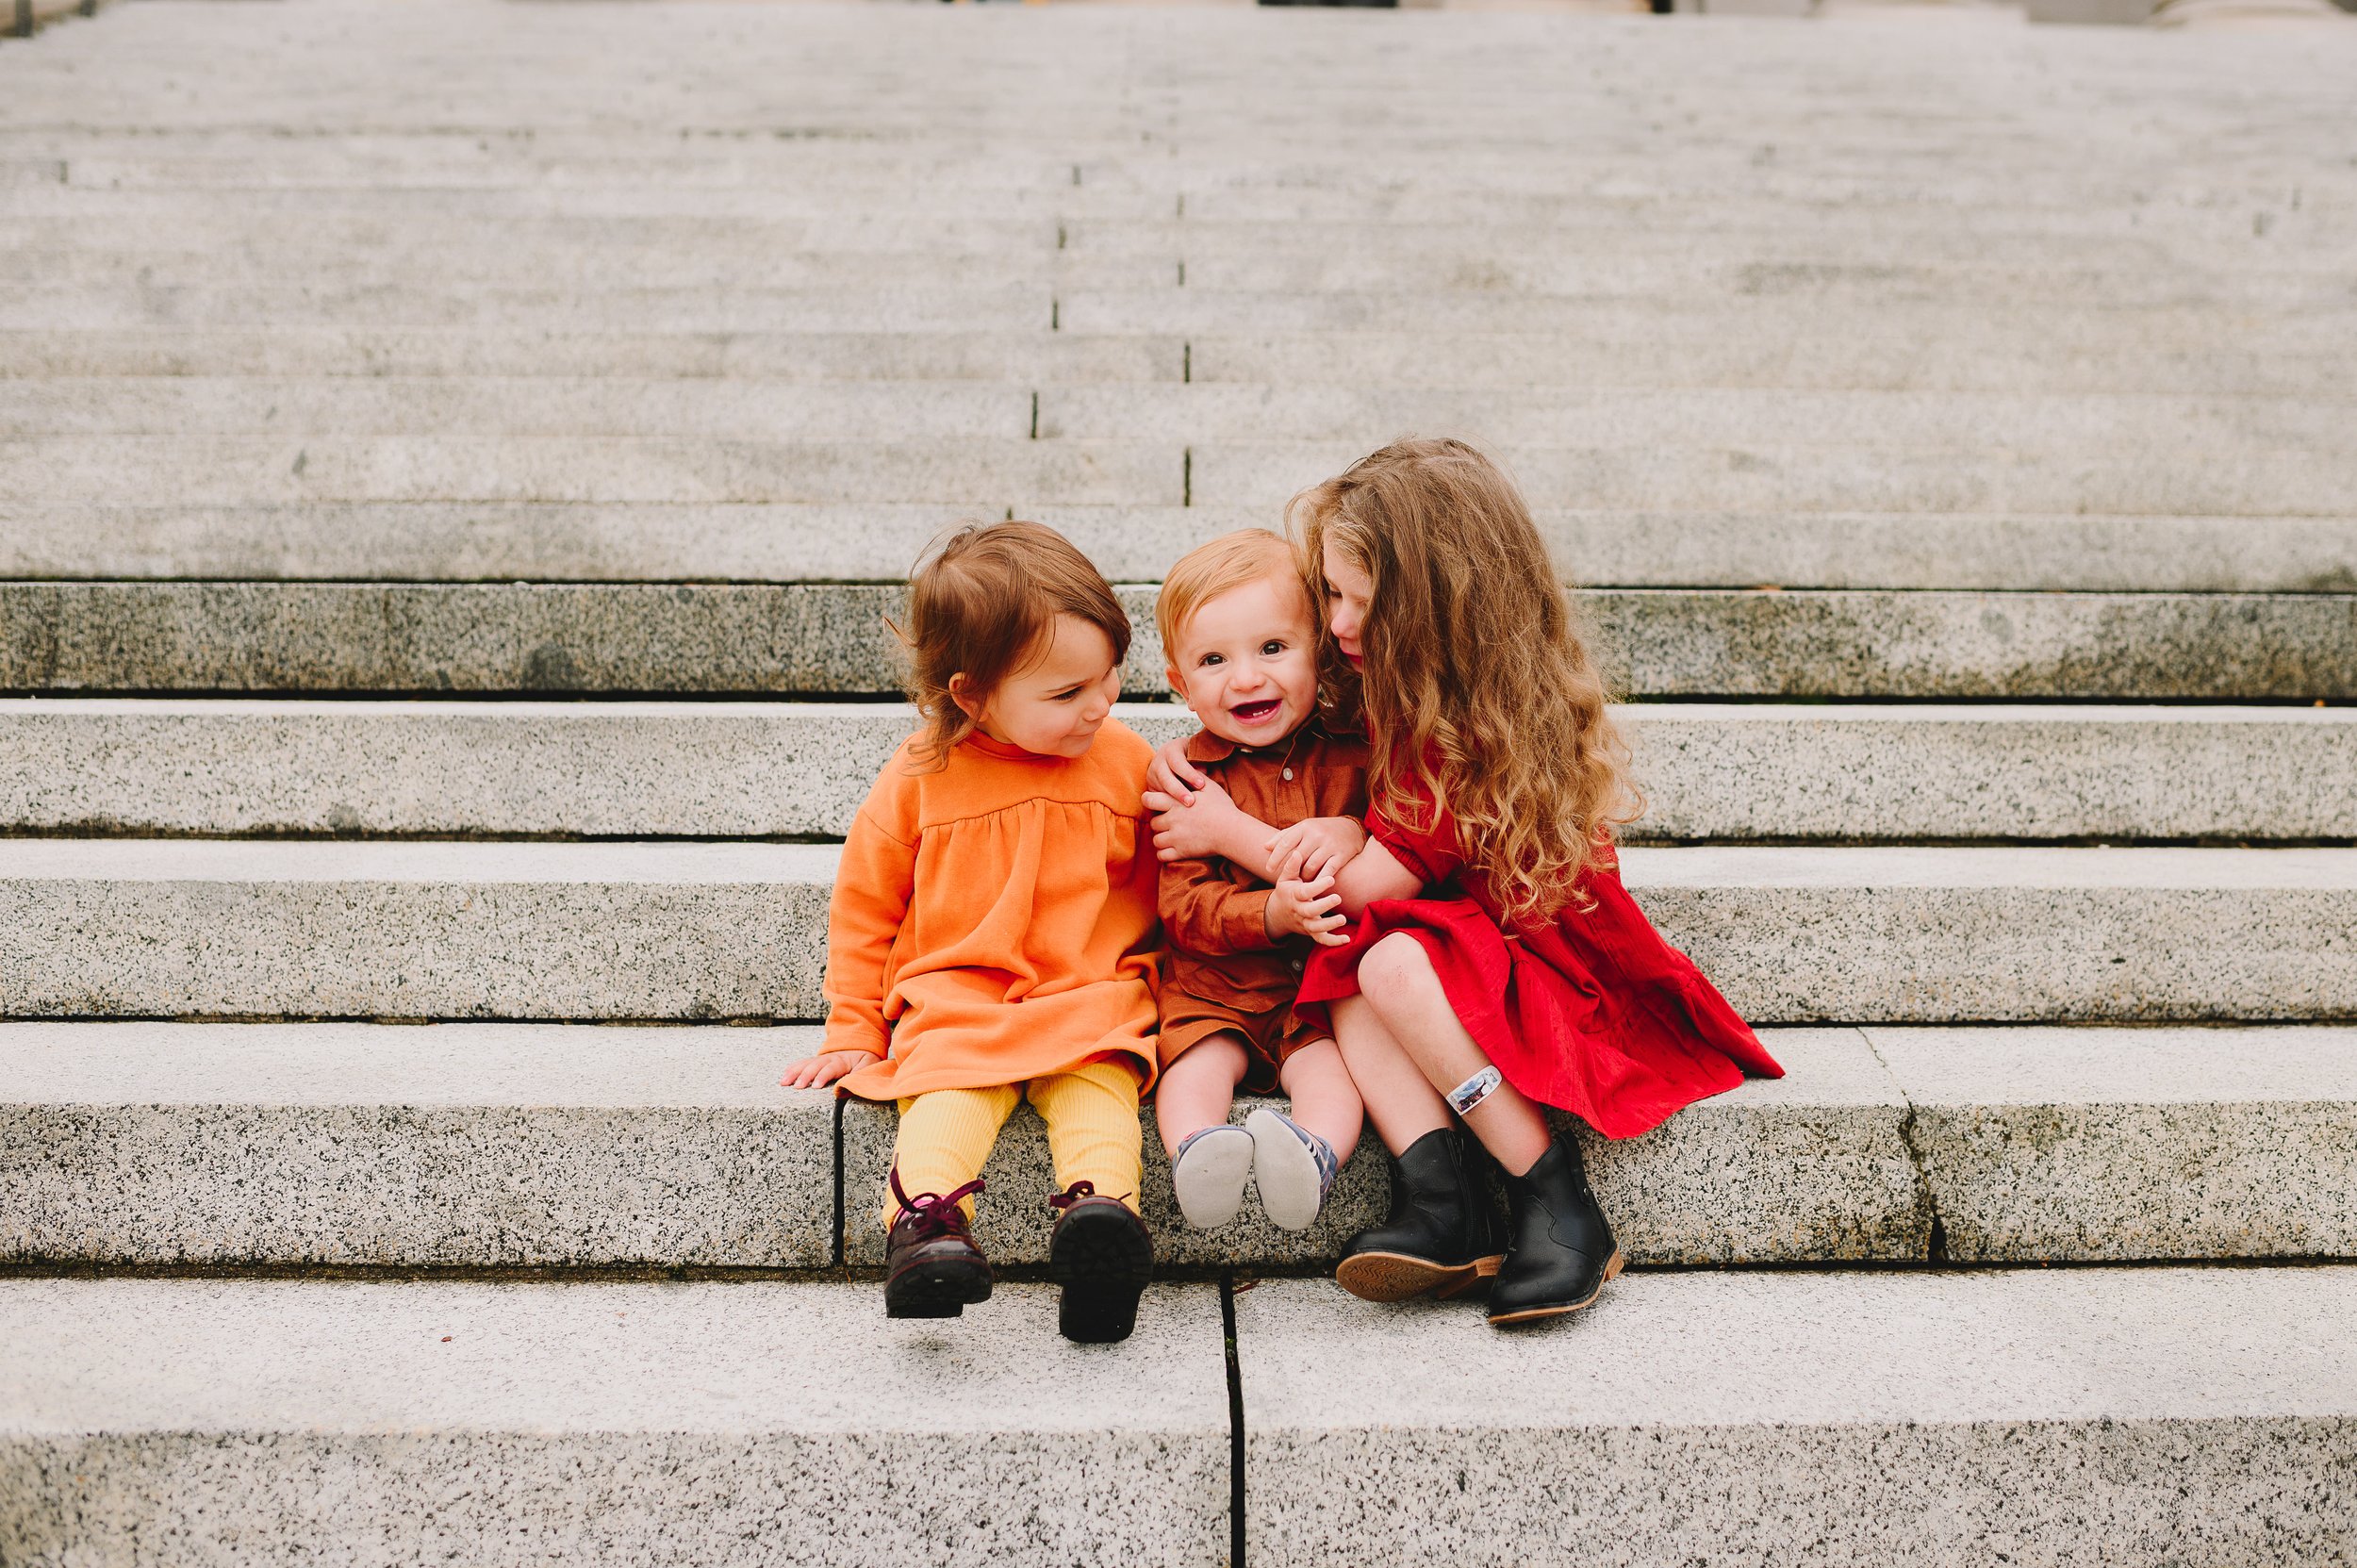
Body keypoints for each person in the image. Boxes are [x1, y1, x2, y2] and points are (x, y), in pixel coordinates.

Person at [1145, 438, 1783, 1328]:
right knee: (1355, 970)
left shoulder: (1465, 731)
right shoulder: (1400, 689)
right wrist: (1316, 810)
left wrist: (1231, 832)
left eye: (1359, 603)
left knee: (1385, 960)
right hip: (1460, 960)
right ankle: (1440, 1197)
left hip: (1543, 973)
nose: (1336, 624)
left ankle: (1551, 1195)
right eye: (1331, 594)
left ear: (1439, 610)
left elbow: (1363, 886)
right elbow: (1318, 779)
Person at [783, 520, 1163, 1345]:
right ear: (971, 695)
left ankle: (1104, 1222)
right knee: (948, 1094)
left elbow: (1170, 890)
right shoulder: (920, 774)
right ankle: (925, 1225)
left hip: (1086, 995)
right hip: (958, 998)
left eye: (1110, 676)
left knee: (1099, 1088)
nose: (1099, 704)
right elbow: (865, 908)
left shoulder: (1127, 760)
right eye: (1066, 694)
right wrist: (854, 1025)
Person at [1149, 530, 1370, 1233]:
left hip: (1314, 998)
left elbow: (1394, 839)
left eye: (1273, 649)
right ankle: (1197, 1150)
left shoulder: (1353, 755)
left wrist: (1351, 833)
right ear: (1180, 683)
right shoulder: (1187, 781)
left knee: (1332, 1074)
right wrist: (1269, 913)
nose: (1245, 678)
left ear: (1320, 652)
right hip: (1215, 986)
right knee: (1196, 1059)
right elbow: (1183, 906)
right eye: (1214, 660)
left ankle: (1314, 1155)